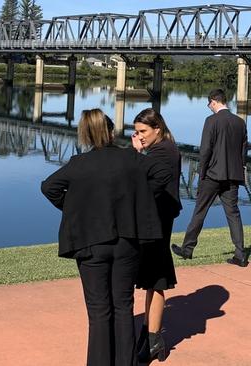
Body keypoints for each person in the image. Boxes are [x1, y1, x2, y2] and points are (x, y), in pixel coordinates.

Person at [41, 109, 170, 366]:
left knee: (99, 311)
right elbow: (163, 173)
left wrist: (78, 207)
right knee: (123, 307)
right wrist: (137, 200)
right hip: (127, 242)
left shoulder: (79, 164)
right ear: (111, 132)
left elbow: (49, 187)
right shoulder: (131, 159)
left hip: (91, 244)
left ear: (86, 135)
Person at [171, 88, 249, 267]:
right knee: (233, 214)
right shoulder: (239, 122)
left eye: (209, 105)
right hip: (232, 176)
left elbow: (205, 150)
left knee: (200, 211)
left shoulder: (211, 121)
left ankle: (187, 249)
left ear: (214, 101)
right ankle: (240, 254)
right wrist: (240, 168)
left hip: (213, 174)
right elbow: (244, 150)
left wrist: (201, 172)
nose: (210, 108)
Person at [130, 108, 182, 363]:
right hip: (160, 218)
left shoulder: (162, 152)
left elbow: (139, 177)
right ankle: (149, 333)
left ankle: (153, 339)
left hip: (158, 222)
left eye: (143, 131)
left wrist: (136, 153)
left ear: (157, 130)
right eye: (136, 132)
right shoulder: (166, 148)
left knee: (157, 277)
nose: (138, 136)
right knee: (152, 278)